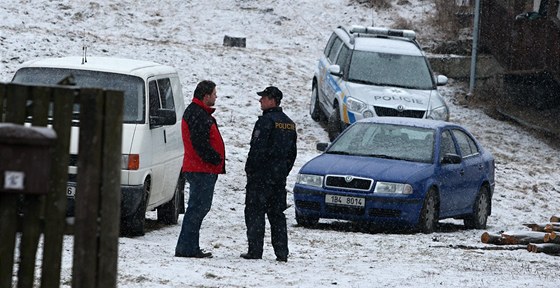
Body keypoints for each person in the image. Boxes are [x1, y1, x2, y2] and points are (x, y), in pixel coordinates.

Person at [241, 86, 297, 262]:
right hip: (278, 178)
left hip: (261, 178)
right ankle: (281, 252)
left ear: (272, 100)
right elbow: (292, 154)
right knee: (277, 215)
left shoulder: (266, 122)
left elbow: (257, 149)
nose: (260, 101)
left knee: (255, 213)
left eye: (263, 98)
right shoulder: (289, 123)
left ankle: (255, 250)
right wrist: (282, 172)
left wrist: (251, 170)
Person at [175, 80, 225, 258]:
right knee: (198, 208)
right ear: (206, 96)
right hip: (201, 169)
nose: (216, 96)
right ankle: (187, 248)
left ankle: (188, 246)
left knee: (197, 208)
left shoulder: (198, 112)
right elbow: (200, 144)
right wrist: (215, 158)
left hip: (201, 168)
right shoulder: (198, 114)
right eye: (214, 93)